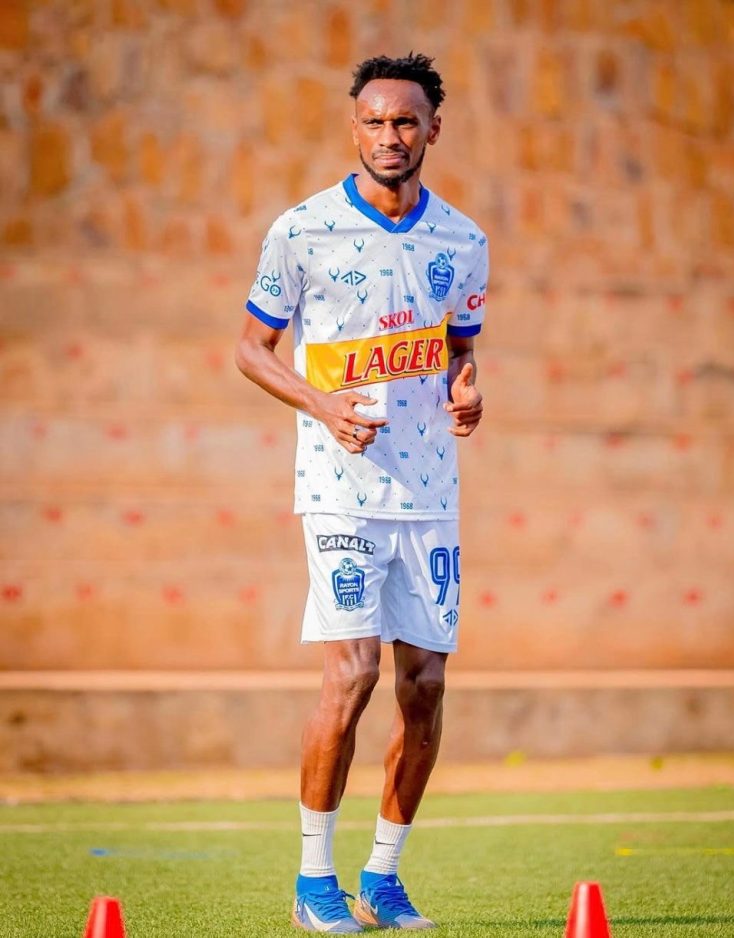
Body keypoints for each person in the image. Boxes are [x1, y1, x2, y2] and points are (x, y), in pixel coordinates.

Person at [235, 53, 488, 933]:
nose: (390, 135)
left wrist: (467, 386)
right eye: (374, 121)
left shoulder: (463, 240)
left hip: (430, 491)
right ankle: (314, 882)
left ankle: (382, 878)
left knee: (425, 686)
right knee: (353, 674)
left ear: (432, 130)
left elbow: (460, 347)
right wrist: (323, 405)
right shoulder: (301, 230)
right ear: (355, 128)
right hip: (339, 487)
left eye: (405, 121)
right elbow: (250, 349)